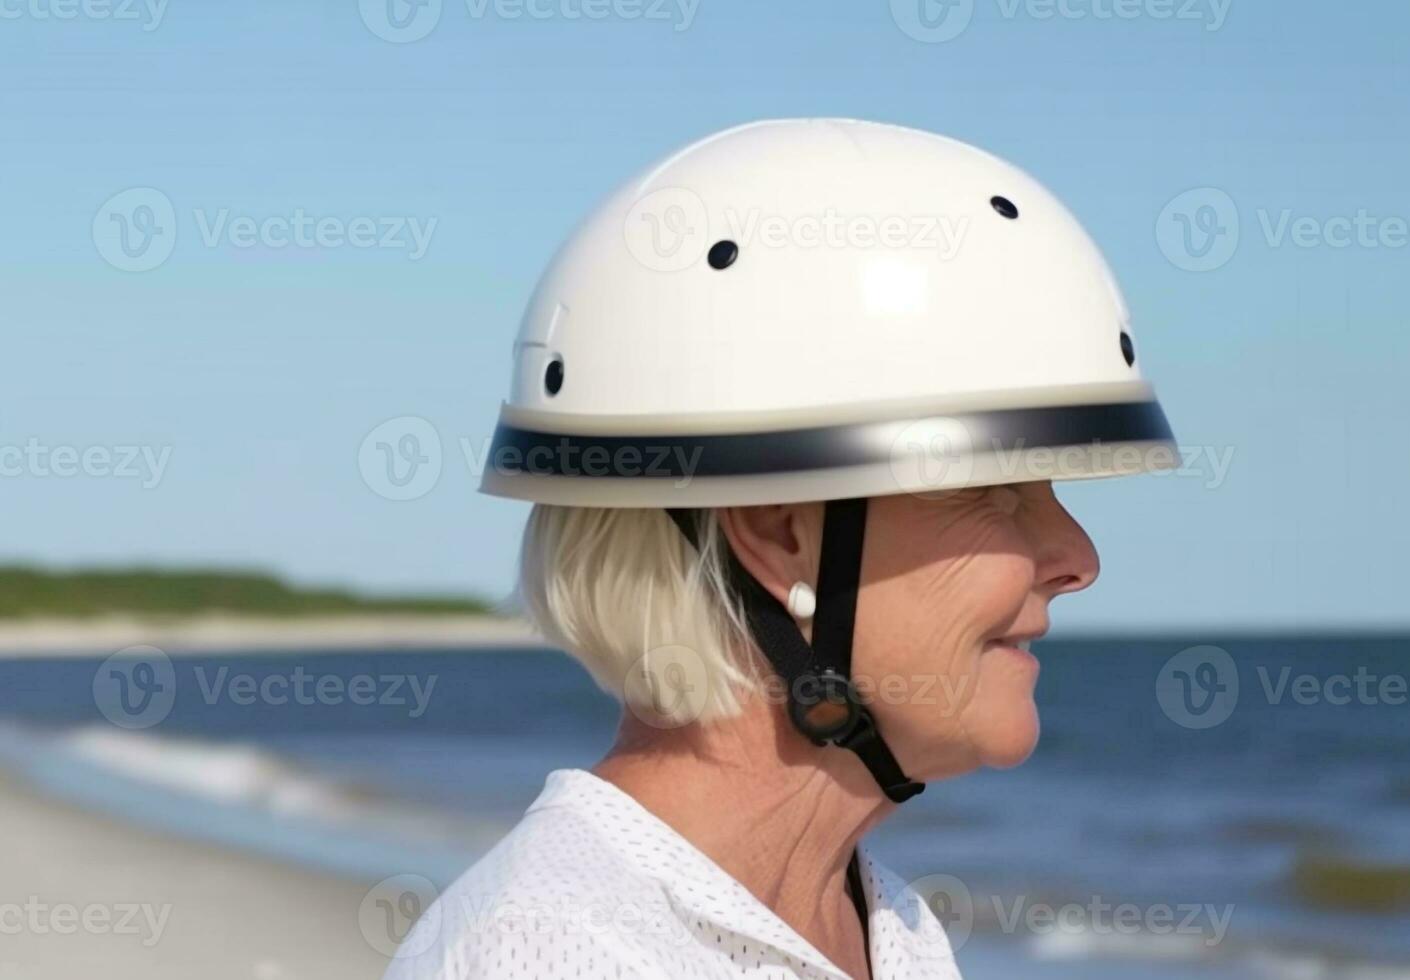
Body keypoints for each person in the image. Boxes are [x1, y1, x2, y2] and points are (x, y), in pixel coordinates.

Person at [383, 117, 1177, 980]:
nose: (1077, 556)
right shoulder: (550, 956)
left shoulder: (890, 928)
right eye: (990, 491)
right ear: (778, 534)